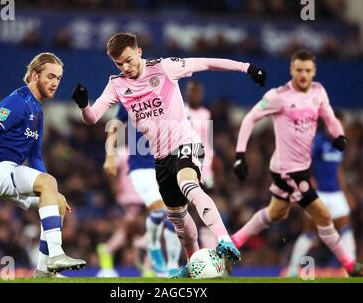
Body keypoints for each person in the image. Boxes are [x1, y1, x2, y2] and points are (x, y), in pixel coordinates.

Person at [71, 32, 266, 277]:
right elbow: (93, 117)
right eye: (119, 64)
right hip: (161, 158)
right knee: (179, 219)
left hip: (186, 144)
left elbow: (205, 62)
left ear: (139, 52)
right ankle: (192, 263)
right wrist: (83, 104)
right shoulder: (117, 84)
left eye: (129, 60)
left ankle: (224, 240)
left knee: (188, 184)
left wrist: (246, 67)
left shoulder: (164, 68)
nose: (126, 67)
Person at [230, 49, 363, 277]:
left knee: (275, 213)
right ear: (291, 70)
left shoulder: (318, 92)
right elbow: (250, 118)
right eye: (298, 69)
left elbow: (329, 116)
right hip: (286, 170)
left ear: (314, 71)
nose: (303, 74)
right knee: (324, 216)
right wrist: (240, 154)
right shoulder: (278, 96)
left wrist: (340, 136)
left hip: (301, 169)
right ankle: (351, 266)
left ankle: (230, 245)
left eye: (307, 70)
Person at [0, 52, 86, 278]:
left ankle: (45, 271)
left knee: (58, 201)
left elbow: (35, 156)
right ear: (35, 75)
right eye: (51, 76)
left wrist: (51, 190)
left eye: (59, 78)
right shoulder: (18, 101)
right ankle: (56, 254)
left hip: (9, 171)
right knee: (49, 185)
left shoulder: (37, 111)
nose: (56, 82)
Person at [102, 105, 182, 277]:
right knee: (158, 213)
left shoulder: (167, 97)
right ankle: (147, 248)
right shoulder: (129, 99)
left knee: (173, 217)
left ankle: (164, 265)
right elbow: (116, 124)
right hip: (140, 172)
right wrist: (109, 156)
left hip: (164, 168)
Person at [286, 114, 357, 277]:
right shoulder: (317, 141)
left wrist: (345, 193)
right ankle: (292, 270)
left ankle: (350, 270)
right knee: (309, 232)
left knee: (346, 230)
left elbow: (338, 170)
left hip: (336, 194)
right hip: (319, 194)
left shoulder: (340, 144)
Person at [97, 146, 148, 277]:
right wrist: (115, 185)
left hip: (140, 195)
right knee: (132, 229)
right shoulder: (124, 152)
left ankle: (144, 268)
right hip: (131, 196)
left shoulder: (143, 151)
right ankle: (108, 249)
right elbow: (109, 168)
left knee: (137, 231)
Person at [184, 80, 218, 250]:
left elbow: (208, 143)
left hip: (205, 170)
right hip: (185, 168)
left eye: (198, 92)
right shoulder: (181, 112)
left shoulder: (206, 113)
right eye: (192, 91)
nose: (195, 95)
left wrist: (212, 166)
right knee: (184, 214)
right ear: (186, 93)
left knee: (206, 213)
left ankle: (212, 253)